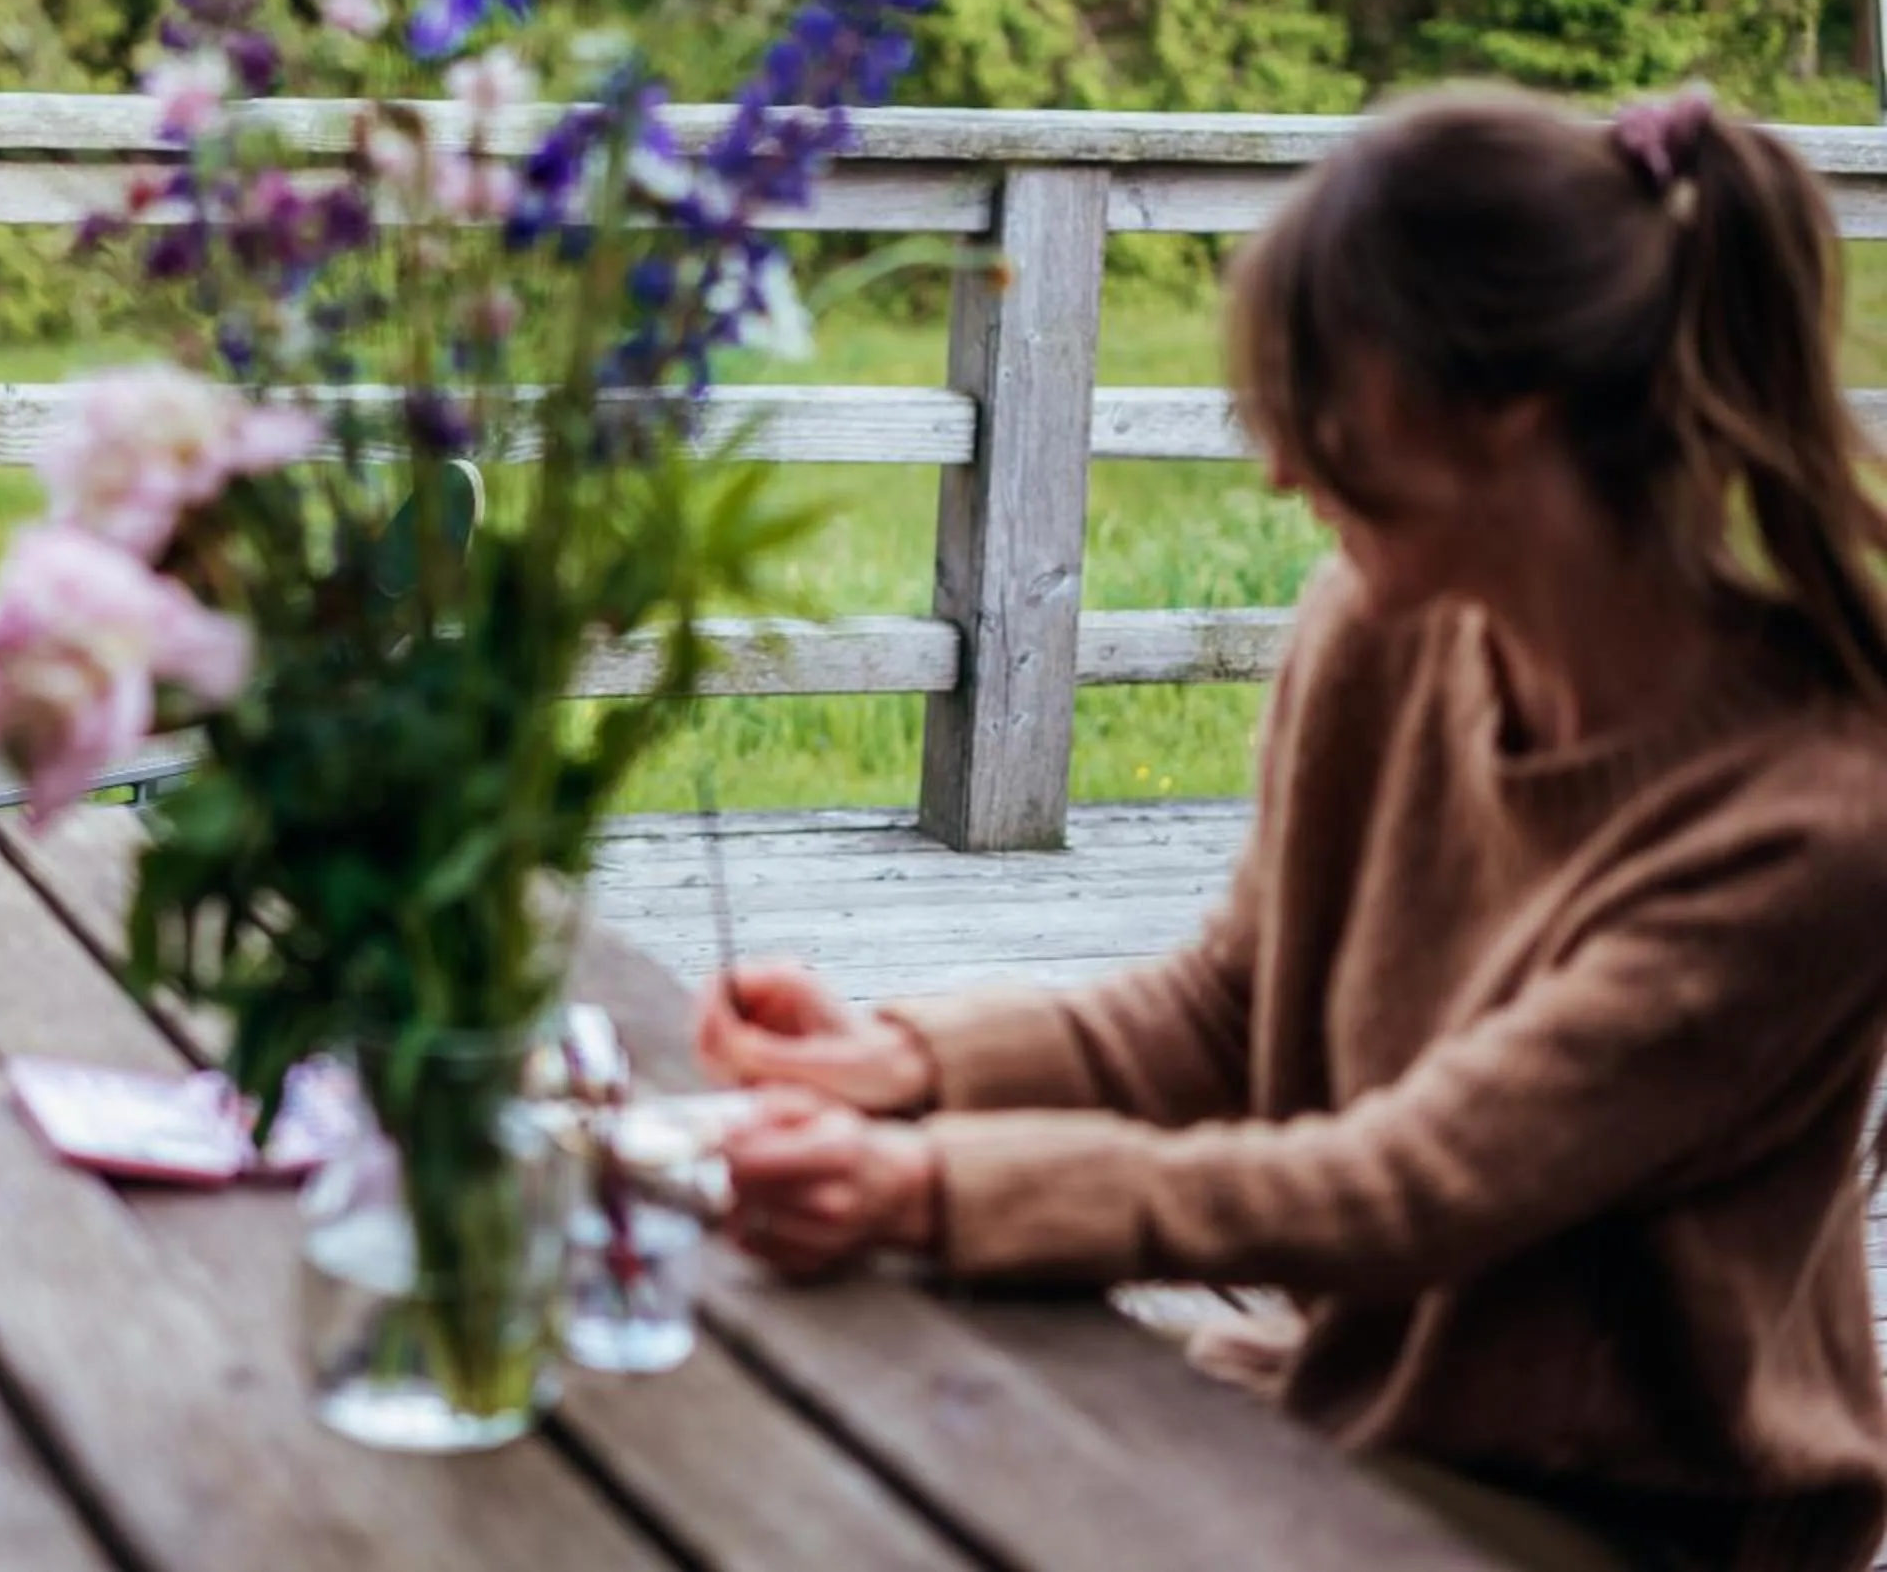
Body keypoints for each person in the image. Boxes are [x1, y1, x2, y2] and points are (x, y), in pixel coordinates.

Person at [698, 87, 1887, 1572]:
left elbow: (1406, 1191)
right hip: (1366, 1405)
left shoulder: (1815, 820)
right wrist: (908, 1067)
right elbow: (1231, 1004)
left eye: (1323, 393)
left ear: (1502, 406)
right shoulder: (1382, 630)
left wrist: (932, 1190)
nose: (1277, 467)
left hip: (1636, 1514)